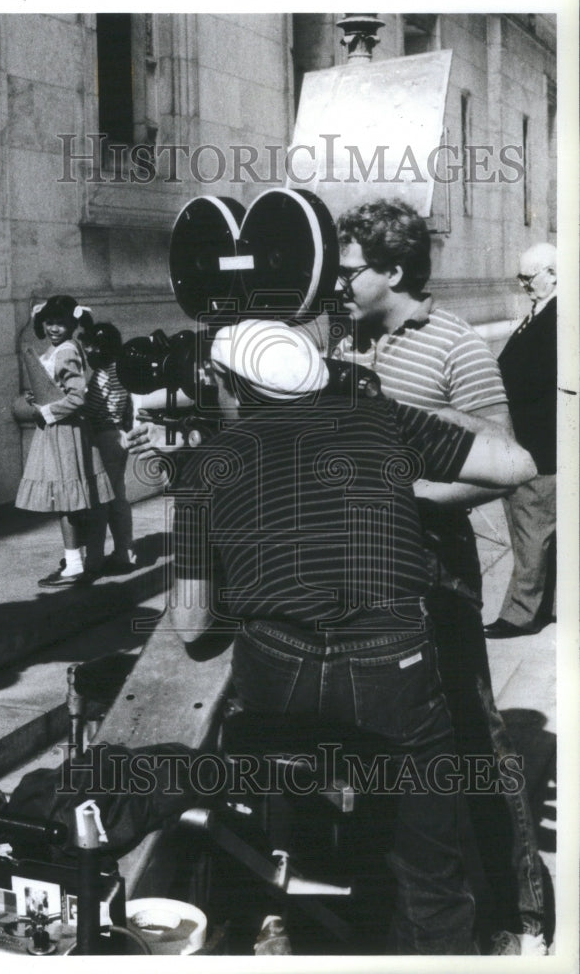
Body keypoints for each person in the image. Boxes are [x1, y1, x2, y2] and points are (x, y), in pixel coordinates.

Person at [142, 317, 536, 954]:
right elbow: (517, 462)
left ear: (228, 382)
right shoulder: (381, 422)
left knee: (290, 815)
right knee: (429, 864)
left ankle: (291, 917)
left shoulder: (205, 466)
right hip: (392, 666)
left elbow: (191, 627)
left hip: (276, 669)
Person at [330, 199, 548, 955]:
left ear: (392, 270)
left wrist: (410, 490)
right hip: (359, 571)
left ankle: (518, 902)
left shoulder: (453, 345)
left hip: (434, 568)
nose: (338, 277)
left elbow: (502, 461)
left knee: (471, 731)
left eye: (351, 267)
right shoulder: (345, 336)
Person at [484, 243, 557, 638]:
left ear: (554, 274)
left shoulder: (556, 318)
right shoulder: (542, 312)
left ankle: (520, 614)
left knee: (531, 529)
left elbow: (538, 382)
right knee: (541, 531)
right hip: (535, 441)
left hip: (537, 445)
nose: (523, 285)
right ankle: (547, 605)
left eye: (529, 278)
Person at [15, 295, 114, 588]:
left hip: (64, 432)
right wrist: (39, 396)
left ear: (73, 324)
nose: (55, 327)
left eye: (62, 322)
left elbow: (76, 397)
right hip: (63, 431)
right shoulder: (59, 349)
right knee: (73, 499)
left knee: (67, 501)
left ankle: (73, 565)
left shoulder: (66, 351)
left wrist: (46, 409)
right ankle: (82, 559)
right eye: (50, 322)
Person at [80, 321, 137, 575]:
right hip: (119, 435)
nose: (88, 352)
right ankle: (125, 551)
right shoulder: (122, 370)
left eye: (91, 347)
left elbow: (91, 408)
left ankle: (94, 559)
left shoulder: (103, 374)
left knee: (101, 500)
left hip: (104, 437)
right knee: (117, 497)